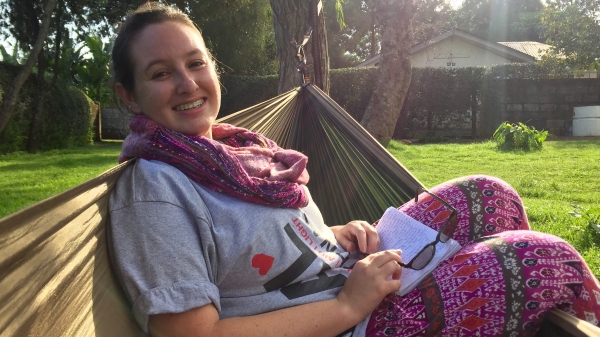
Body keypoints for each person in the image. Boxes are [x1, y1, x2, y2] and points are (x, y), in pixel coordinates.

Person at [108, 3, 600, 337]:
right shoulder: (156, 186)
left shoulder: (231, 149)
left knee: (492, 196)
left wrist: (335, 234)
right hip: (348, 323)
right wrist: (349, 306)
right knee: (543, 261)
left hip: (348, 277)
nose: (187, 83)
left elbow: (267, 243)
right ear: (128, 95)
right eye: (160, 73)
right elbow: (190, 335)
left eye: (196, 64)